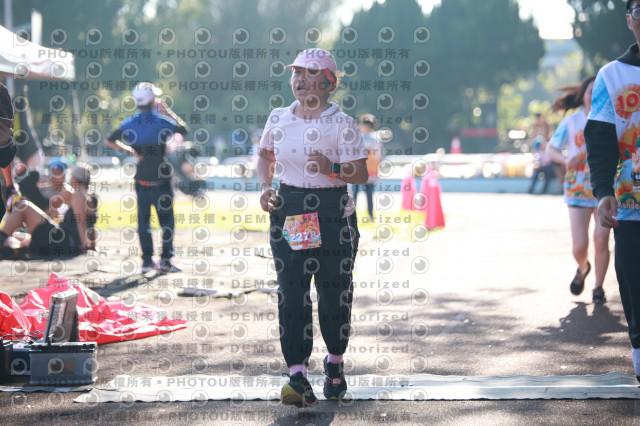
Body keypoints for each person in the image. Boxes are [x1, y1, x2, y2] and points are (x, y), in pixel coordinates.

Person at [257, 48, 368, 407]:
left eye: (310, 73)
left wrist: (331, 168)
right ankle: (297, 374)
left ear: (329, 83)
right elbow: (265, 155)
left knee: (334, 293)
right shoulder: (278, 117)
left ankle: (334, 362)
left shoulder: (342, 123)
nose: (301, 79)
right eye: (297, 73)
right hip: (292, 209)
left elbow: (361, 173)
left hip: (333, 212)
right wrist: (265, 187)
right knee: (292, 292)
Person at [585, 0, 640, 382]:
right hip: (632, 203)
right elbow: (601, 138)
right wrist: (604, 190)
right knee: (634, 277)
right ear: (629, 20)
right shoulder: (612, 75)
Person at [105, 82, 188, 274]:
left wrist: (131, 152)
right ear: (153, 101)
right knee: (166, 221)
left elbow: (109, 140)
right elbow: (183, 130)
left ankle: (147, 261)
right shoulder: (162, 121)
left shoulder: (130, 123)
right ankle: (165, 260)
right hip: (161, 178)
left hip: (141, 178)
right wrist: (167, 111)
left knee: (144, 222)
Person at [547, 76, 610, 303]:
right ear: (583, 96)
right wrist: (566, 160)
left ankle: (598, 288)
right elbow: (551, 149)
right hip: (577, 188)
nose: (594, 96)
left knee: (601, 239)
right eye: (590, 91)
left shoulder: (611, 119)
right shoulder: (571, 122)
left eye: (599, 92)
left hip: (606, 188)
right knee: (579, 247)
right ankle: (583, 268)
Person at [0, 165, 97, 258]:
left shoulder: (77, 194)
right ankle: (12, 245)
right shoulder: (90, 197)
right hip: (65, 241)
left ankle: (2, 240)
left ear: (74, 179)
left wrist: (84, 247)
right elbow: (90, 226)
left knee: (24, 206)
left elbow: (81, 223)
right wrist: (92, 246)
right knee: (19, 236)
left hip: (64, 241)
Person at [351, 113, 381, 220]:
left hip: (365, 169)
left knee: (358, 194)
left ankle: (361, 215)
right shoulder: (371, 138)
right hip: (364, 170)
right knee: (362, 194)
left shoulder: (370, 138)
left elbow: (375, 156)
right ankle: (368, 215)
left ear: (367, 126)